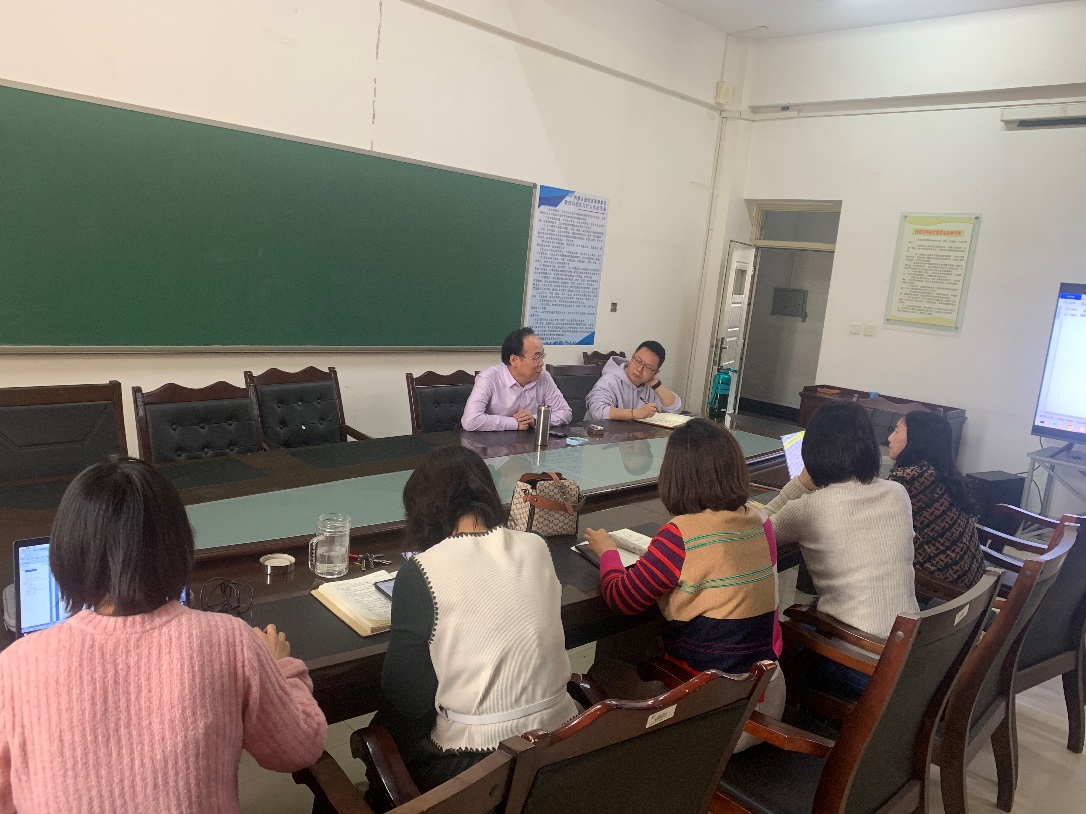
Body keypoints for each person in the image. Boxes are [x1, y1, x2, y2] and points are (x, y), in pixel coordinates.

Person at [0, 457, 327, 814]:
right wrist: (282, 669)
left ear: (66, 553)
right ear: (178, 545)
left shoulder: (16, 665)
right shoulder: (231, 641)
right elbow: (298, 748)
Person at [379, 446, 577, 792]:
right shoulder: (536, 546)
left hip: (479, 763)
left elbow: (408, 696)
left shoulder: (421, 570)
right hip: (562, 738)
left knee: (384, 728)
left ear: (422, 511)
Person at [584, 419, 784, 750]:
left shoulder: (680, 534)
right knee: (651, 643)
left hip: (715, 716)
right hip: (766, 695)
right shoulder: (760, 520)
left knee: (602, 671)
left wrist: (608, 553)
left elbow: (622, 598)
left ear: (674, 476)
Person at [765, 401, 918, 698]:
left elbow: (755, 533)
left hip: (859, 665)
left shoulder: (809, 508)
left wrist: (799, 484)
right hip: (906, 656)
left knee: (784, 637)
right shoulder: (897, 493)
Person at [888, 410, 986, 591]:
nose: (889, 438)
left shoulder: (911, 477)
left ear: (916, 439)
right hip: (973, 581)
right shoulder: (940, 471)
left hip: (946, 590)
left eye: (896, 431)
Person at [461, 326, 572, 431]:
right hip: (493, 442)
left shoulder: (543, 377)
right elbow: (471, 420)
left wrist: (535, 420)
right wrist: (514, 423)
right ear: (514, 360)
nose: (542, 363)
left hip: (530, 442)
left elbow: (565, 412)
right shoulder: (488, 379)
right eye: (536, 357)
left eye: (542, 356)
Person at [584, 341, 682, 422]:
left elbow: (675, 409)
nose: (639, 369)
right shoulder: (609, 381)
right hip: (603, 437)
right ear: (632, 357)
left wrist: (656, 384)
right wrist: (636, 413)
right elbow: (598, 412)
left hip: (635, 436)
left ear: (655, 372)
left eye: (648, 367)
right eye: (638, 361)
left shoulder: (650, 385)